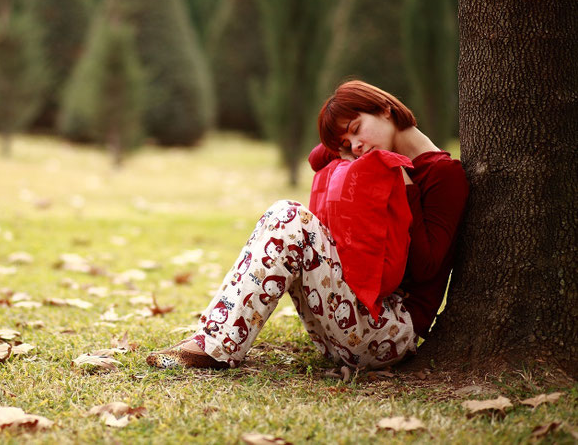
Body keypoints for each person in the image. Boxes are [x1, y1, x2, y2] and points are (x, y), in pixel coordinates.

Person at [146, 80, 469, 370]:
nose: (356, 146)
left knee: (289, 216)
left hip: (391, 333)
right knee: (285, 215)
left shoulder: (444, 173)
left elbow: (427, 268)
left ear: (385, 109)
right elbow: (318, 158)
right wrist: (345, 147)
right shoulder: (375, 161)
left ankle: (215, 346)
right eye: (347, 142)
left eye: (356, 128)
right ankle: (214, 341)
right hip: (343, 328)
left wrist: (405, 186)